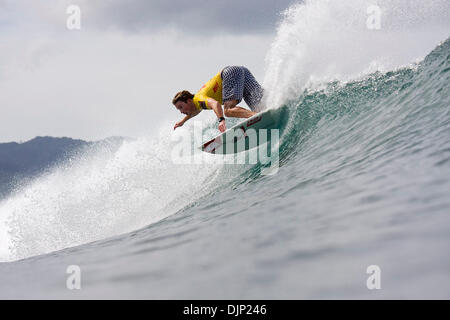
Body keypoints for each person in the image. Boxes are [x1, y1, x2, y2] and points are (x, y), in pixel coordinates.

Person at [172, 65, 264, 132]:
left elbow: (215, 104)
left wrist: (221, 120)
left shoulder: (198, 100)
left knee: (228, 110)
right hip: (240, 71)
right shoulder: (197, 102)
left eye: (181, 107)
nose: (181, 111)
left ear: (188, 101)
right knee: (261, 107)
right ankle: (262, 114)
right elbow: (195, 111)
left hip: (229, 74)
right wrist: (182, 121)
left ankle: (257, 117)